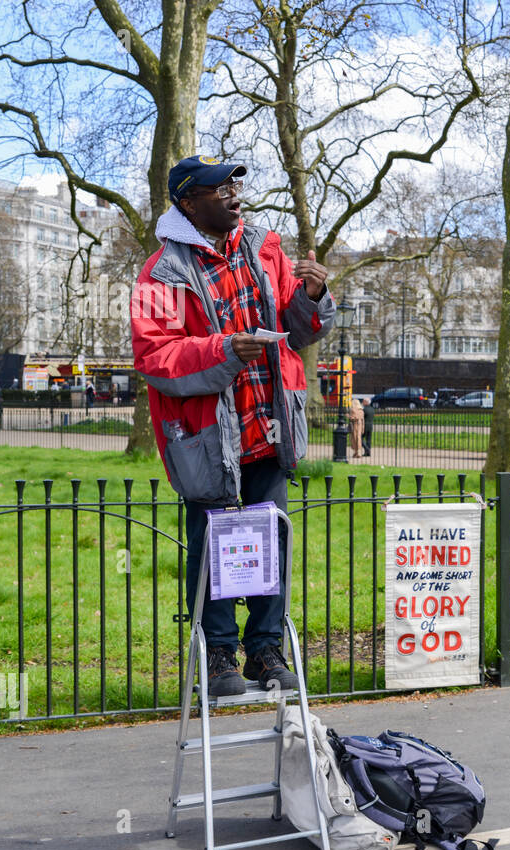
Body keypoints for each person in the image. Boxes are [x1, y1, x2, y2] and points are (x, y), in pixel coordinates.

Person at [131, 154, 335, 697]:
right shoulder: (160, 273)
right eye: (218, 187)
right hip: (205, 434)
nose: (233, 193)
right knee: (211, 541)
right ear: (187, 201)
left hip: (268, 421)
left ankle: (265, 650)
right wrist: (225, 349)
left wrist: (311, 297)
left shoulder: (266, 248)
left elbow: (296, 328)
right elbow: (155, 356)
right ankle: (218, 654)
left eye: (235, 184)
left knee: (270, 537)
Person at [348, 395, 365, 459]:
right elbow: (363, 420)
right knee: (358, 438)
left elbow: (352, 418)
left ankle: (356, 452)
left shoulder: (353, 410)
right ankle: (358, 452)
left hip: (355, 424)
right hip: (360, 425)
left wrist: (348, 416)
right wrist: (363, 428)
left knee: (354, 438)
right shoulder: (361, 410)